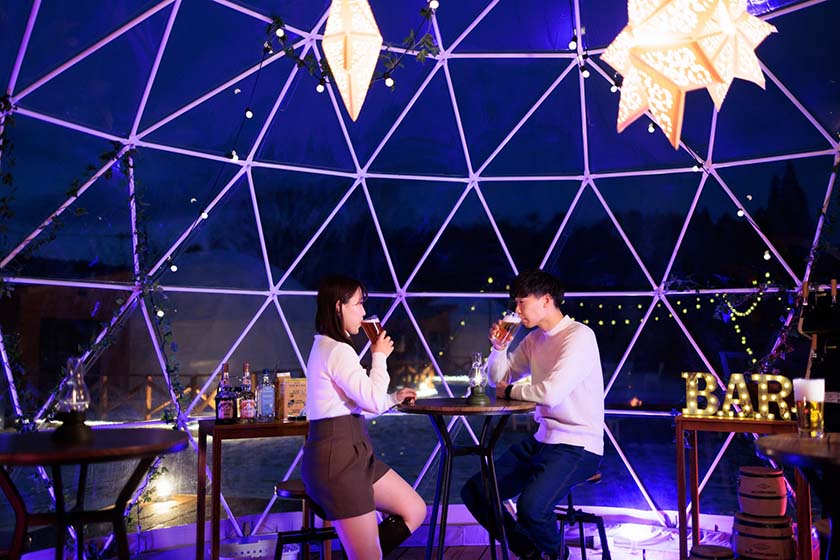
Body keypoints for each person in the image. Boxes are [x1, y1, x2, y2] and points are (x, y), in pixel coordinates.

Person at [460, 269, 604, 560]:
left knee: (532, 509)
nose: (516, 310)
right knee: (476, 491)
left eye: (521, 302)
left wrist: (509, 391)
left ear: (546, 300)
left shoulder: (579, 337)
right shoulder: (535, 340)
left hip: (577, 446)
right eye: (515, 303)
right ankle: (530, 552)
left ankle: (559, 556)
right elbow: (497, 380)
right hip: (542, 441)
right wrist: (499, 348)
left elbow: (550, 393)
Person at [302, 274, 427, 560]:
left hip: (355, 452)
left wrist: (394, 399)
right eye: (358, 305)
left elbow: (360, 401)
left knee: (414, 509)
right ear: (338, 307)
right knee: (368, 556)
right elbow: (370, 400)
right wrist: (379, 356)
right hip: (338, 460)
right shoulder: (336, 350)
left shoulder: (328, 347)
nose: (362, 312)